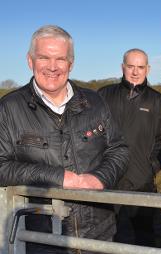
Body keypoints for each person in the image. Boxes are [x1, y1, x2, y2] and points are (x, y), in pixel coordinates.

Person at [0, 25, 128, 254]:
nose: (52, 66)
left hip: (98, 235)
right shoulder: (9, 108)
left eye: (61, 58)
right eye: (43, 57)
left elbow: (118, 149)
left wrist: (100, 178)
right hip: (39, 238)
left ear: (71, 63)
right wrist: (59, 177)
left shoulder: (94, 101)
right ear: (30, 61)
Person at [98, 48, 161, 246]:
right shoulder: (104, 95)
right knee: (108, 237)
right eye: (130, 66)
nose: (135, 71)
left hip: (141, 182)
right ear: (123, 67)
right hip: (107, 179)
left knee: (144, 237)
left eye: (140, 67)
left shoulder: (158, 101)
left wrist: (152, 167)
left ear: (147, 69)